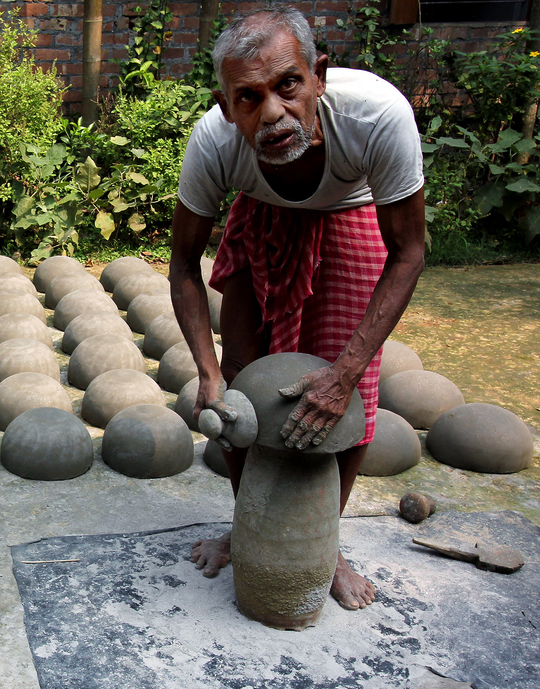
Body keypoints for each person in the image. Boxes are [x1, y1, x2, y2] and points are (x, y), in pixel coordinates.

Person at [168, 5, 426, 610]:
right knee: (240, 393)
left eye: (288, 84)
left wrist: (344, 373)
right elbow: (183, 264)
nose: (274, 113)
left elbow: (409, 253)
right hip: (261, 216)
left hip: (352, 212)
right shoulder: (215, 142)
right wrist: (206, 375)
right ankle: (250, 523)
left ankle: (325, 544)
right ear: (229, 105)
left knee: (347, 399)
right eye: (249, 98)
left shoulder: (376, 116)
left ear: (319, 76)